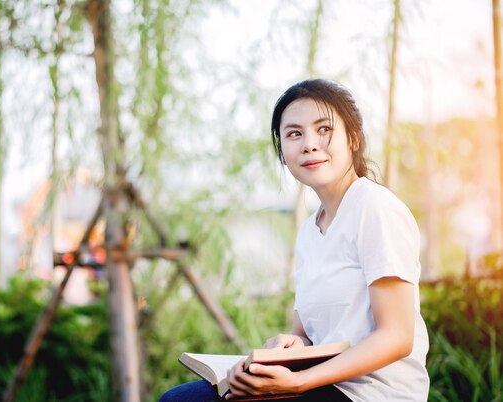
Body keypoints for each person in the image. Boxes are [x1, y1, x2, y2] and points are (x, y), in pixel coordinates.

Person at [159, 79, 429, 401]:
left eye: (324, 129)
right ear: (283, 150)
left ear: (353, 138)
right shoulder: (308, 231)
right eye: (294, 133)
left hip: (372, 393)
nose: (309, 144)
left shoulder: (375, 208)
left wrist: (298, 383)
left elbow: (397, 336)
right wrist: (283, 351)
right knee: (180, 399)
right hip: (320, 384)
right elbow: (306, 336)